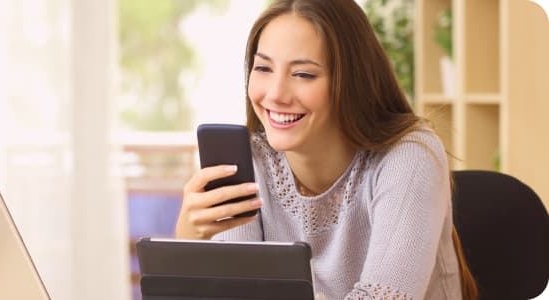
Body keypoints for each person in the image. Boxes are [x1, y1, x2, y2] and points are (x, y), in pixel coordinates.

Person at [175, 0, 478, 299]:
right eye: (264, 67)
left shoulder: (408, 157)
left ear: (351, 81)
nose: (276, 94)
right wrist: (189, 243)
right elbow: (238, 291)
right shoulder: (250, 161)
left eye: (304, 74)